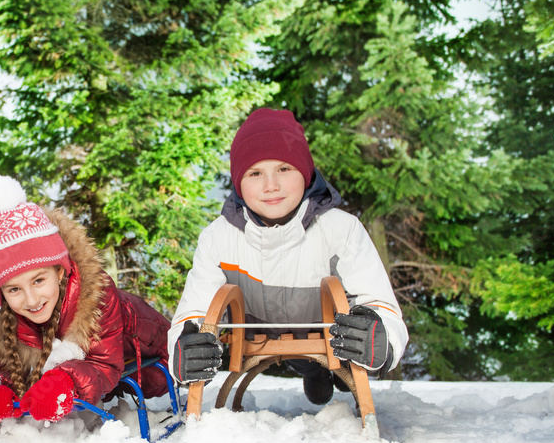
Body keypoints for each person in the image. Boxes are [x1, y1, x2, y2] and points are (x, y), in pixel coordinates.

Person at [170, 108, 408, 404]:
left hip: (330, 333)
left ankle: (339, 366)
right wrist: (185, 346)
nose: (271, 185)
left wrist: (382, 337)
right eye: (255, 173)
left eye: (284, 169)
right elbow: (195, 308)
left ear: (305, 174)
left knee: (342, 357)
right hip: (261, 330)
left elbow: (380, 301)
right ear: (239, 183)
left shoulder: (340, 229)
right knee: (308, 366)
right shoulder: (218, 237)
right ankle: (313, 371)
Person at [0, 176, 170, 424]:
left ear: (60, 270)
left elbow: (105, 361)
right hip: (99, 368)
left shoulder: (96, 296)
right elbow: (4, 361)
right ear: (0, 293)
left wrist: (66, 380)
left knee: (152, 376)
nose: (31, 300)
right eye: (13, 290)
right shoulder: (1, 312)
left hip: (153, 358)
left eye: (39, 281)